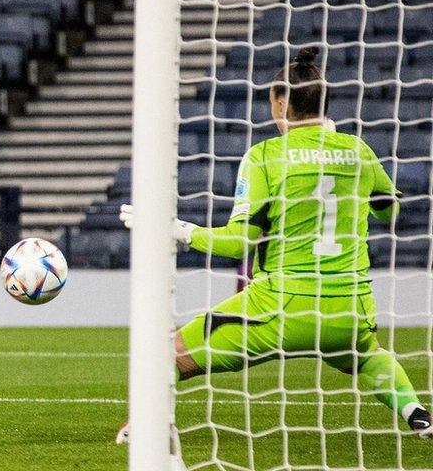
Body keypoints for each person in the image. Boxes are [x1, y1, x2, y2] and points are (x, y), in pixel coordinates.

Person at [117, 46, 431, 440]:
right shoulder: (358, 151)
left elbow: (238, 244)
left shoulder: (265, 156)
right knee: (367, 356)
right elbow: (390, 212)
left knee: (168, 353)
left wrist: (177, 230)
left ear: (282, 102)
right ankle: (416, 412)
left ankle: (140, 431)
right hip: (348, 310)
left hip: (280, 306)